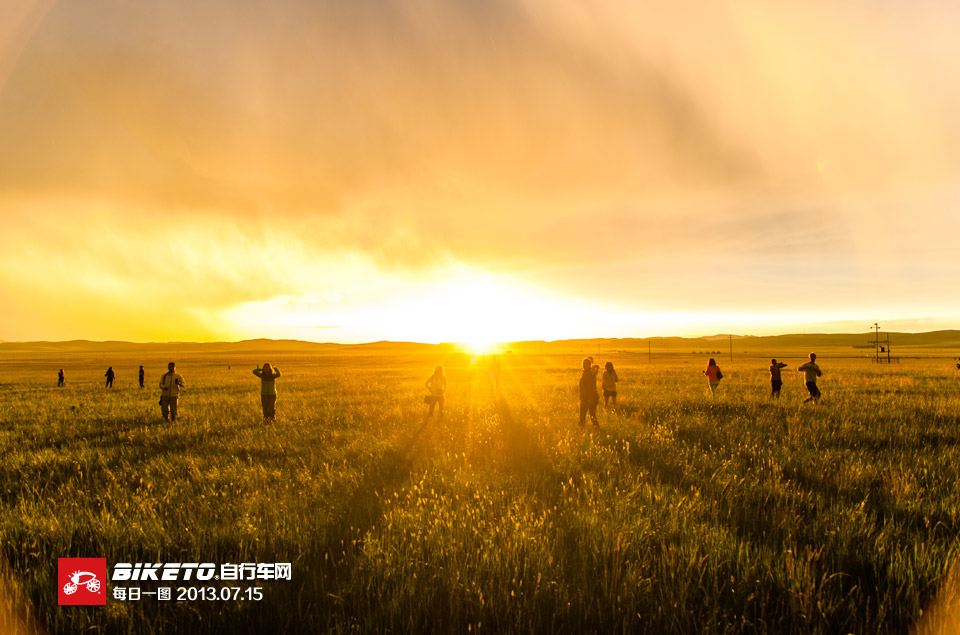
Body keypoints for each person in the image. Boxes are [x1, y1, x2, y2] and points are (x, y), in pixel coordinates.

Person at [579, 358, 600, 426]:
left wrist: (589, 398)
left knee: (584, 414)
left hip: (588, 397)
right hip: (587, 397)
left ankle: (582, 428)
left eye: (586, 364)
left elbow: (591, 387)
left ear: (589, 365)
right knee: (591, 413)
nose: (584, 365)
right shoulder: (587, 373)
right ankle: (596, 427)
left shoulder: (589, 374)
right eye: (583, 363)